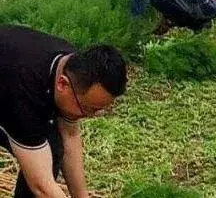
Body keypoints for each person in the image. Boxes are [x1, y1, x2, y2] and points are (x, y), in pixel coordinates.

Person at [0, 25, 128, 198]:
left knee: (53, 148)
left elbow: (69, 134)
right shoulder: (24, 89)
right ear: (62, 84)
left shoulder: (74, 65)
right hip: (8, 84)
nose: (89, 116)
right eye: (87, 109)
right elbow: (41, 186)